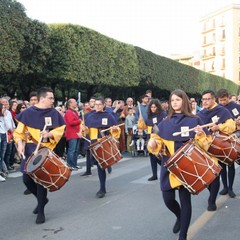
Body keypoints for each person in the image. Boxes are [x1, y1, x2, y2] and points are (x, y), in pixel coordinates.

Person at [147, 89, 212, 240]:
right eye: (172, 100)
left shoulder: (195, 120)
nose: (174, 102)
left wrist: (201, 135)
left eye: (178, 99)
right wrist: (152, 142)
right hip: (168, 165)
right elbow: (154, 137)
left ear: (184, 101)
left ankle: (183, 235)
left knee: (185, 200)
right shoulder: (164, 122)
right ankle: (179, 216)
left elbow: (205, 145)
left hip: (187, 166)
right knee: (168, 199)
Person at [13, 87, 65, 224]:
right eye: (51, 98)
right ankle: (42, 199)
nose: (53, 101)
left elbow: (60, 129)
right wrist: (19, 143)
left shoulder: (54, 113)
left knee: (41, 181)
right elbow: (19, 132)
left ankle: (41, 211)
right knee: (26, 179)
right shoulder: (28, 113)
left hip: (46, 150)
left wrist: (50, 134)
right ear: (42, 99)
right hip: (31, 148)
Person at [197, 90, 236, 210]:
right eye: (203, 99)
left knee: (218, 172)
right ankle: (219, 190)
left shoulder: (222, 111)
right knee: (208, 175)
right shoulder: (201, 114)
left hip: (221, 145)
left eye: (208, 99)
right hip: (205, 147)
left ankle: (216, 197)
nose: (205, 101)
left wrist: (218, 126)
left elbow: (231, 126)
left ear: (214, 99)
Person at [83, 97, 121, 198]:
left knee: (101, 166)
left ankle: (102, 188)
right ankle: (107, 165)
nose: (98, 106)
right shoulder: (90, 116)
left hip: (104, 143)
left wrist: (114, 129)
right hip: (94, 143)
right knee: (96, 163)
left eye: (100, 104)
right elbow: (86, 131)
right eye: (96, 104)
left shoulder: (108, 115)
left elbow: (116, 130)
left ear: (104, 105)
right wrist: (83, 130)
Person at [216, 88, 240, 198]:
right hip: (220, 138)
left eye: (224, 100)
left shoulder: (235, 107)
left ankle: (230, 188)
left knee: (230, 164)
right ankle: (224, 187)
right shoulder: (217, 108)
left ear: (228, 98)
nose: (223, 103)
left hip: (232, 138)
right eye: (221, 100)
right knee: (221, 165)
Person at [145, 99, 167, 181]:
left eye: (154, 107)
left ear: (158, 107)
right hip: (151, 137)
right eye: (151, 107)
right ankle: (154, 174)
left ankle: (166, 168)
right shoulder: (149, 116)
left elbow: (163, 126)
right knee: (152, 156)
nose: (153, 109)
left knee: (159, 156)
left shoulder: (162, 114)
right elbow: (148, 127)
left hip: (159, 137)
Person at [64, 98, 82, 170]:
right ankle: (70, 164)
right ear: (70, 104)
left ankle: (74, 164)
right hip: (72, 133)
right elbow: (70, 122)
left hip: (76, 133)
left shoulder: (75, 112)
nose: (76, 103)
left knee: (76, 150)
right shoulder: (69, 112)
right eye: (74, 102)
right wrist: (79, 121)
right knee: (72, 150)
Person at [0, 103, 12, 182]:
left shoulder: (4, 116)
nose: (5, 109)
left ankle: (1, 171)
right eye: (3, 108)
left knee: (2, 156)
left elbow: (9, 127)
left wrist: (5, 117)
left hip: (4, 136)